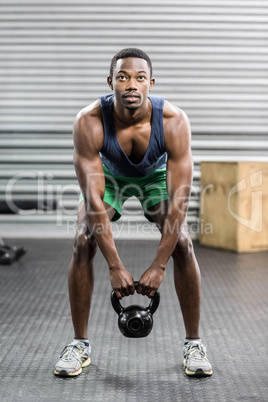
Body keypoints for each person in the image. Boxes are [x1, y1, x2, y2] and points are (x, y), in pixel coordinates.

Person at [54, 48, 212, 377]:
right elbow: (95, 200)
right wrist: (115, 266)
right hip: (108, 178)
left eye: (140, 78)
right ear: (110, 81)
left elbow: (180, 200)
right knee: (83, 238)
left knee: (182, 242)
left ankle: (194, 344)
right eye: (123, 77)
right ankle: (79, 344)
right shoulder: (89, 121)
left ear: (150, 83)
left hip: (154, 178)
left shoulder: (174, 121)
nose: (131, 84)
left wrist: (158, 265)